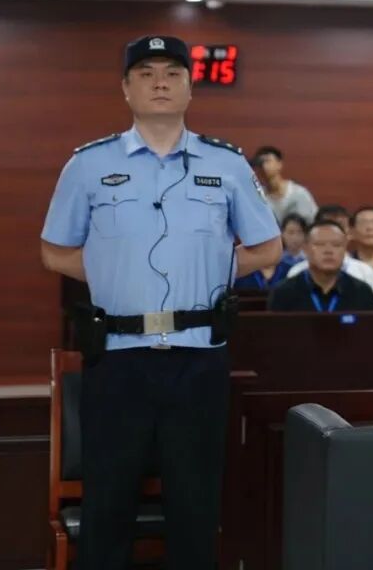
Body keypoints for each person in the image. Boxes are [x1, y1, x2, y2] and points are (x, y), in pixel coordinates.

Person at [40, 35, 281, 569]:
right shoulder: (87, 165)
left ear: (190, 89)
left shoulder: (227, 163)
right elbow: (54, 252)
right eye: (146, 73)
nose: (160, 83)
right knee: (108, 503)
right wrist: (113, 270)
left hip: (199, 357)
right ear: (126, 89)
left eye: (172, 74)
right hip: (117, 357)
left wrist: (214, 267)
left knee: (195, 504)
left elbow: (268, 248)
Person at [267, 220, 373, 312]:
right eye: (320, 244)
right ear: (305, 249)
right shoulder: (284, 292)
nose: (328, 251)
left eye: (336, 245)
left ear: (345, 249)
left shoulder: (362, 292)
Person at [286, 205, 373, 299]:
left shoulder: (365, 272)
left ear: (350, 233)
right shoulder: (296, 271)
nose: (332, 232)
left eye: (340, 226)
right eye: (327, 226)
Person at [233, 213, 306, 291]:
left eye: (270, 234)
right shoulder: (241, 272)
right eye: (259, 233)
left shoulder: (291, 271)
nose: (264, 240)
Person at [252, 145, 318, 224]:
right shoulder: (258, 197)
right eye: (260, 163)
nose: (263, 165)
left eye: (267, 161)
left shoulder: (299, 193)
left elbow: (313, 221)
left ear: (279, 164)